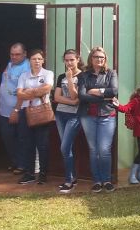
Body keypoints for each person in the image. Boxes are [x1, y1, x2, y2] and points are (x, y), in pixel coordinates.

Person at [78, 46, 119, 193]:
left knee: (104, 149)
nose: (99, 59)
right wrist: (104, 96)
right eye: (96, 57)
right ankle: (96, 181)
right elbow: (82, 96)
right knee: (94, 149)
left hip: (107, 115)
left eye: (102, 57)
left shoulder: (111, 73)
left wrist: (94, 91)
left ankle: (106, 180)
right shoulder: (83, 75)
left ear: (105, 59)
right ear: (91, 59)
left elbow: (114, 91)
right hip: (88, 115)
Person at [14, 48, 53, 185]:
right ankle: (29, 173)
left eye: (39, 59)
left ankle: (43, 173)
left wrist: (28, 92)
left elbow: (47, 89)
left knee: (42, 144)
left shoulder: (48, 73)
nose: (36, 61)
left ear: (43, 60)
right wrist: (37, 92)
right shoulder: (23, 75)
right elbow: (19, 94)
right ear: (29, 61)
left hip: (42, 111)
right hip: (26, 111)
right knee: (27, 144)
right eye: (33, 59)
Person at [53, 49, 83, 193]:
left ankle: (68, 180)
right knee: (66, 147)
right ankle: (72, 177)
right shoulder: (61, 76)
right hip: (60, 114)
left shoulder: (83, 76)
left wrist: (70, 79)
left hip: (74, 116)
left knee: (64, 147)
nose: (69, 63)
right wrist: (72, 102)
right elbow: (56, 97)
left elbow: (75, 97)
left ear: (78, 60)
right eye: (66, 60)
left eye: (72, 60)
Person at [0, 43, 30, 175]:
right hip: (4, 109)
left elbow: (24, 91)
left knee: (21, 138)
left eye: (17, 54)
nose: (14, 57)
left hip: (19, 109)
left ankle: (23, 164)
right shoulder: (10, 64)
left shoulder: (27, 68)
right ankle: (15, 161)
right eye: (12, 54)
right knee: (8, 137)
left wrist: (16, 110)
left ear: (25, 54)